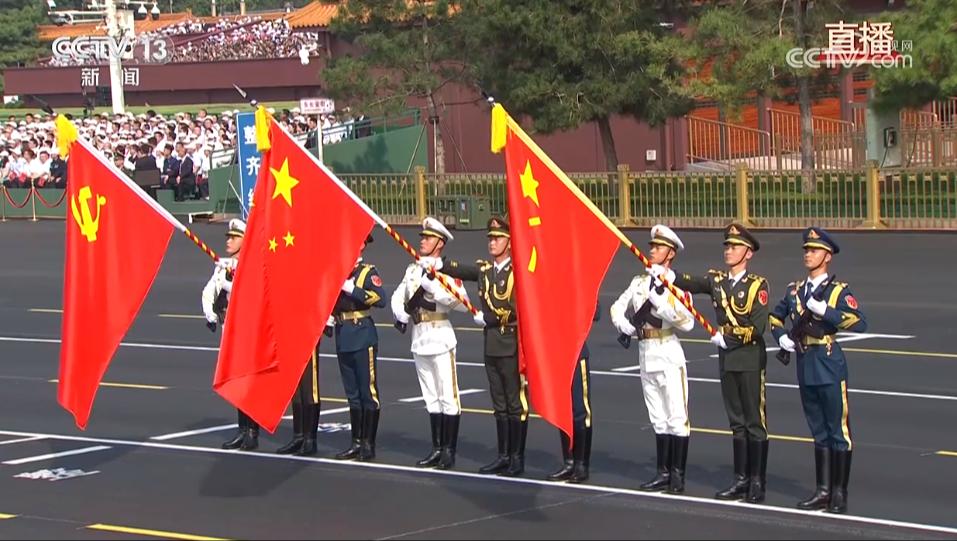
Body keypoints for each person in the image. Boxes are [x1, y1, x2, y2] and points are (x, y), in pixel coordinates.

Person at [671, 223, 771, 503]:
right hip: (727, 359)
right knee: (736, 422)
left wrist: (729, 338)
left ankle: (757, 481)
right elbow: (694, 283)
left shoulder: (757, 285)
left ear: (748, 253)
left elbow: (758, 327)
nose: (729, 250)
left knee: (754, 422)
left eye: (735, 246)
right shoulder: (717, 281)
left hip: (749, 358)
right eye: (727, 246)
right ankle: (740, 479)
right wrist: (669, 275)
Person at [769, 228, 867, 514]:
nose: (808, 254)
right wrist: (781, 338)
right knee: (818, 430)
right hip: (805, 363)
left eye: (814, 250)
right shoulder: (794, 290)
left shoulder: (837, 291)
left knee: (838, 431)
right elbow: (775, 317)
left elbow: (860, 322)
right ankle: (822, 491)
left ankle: (839, 493)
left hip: (828, 362)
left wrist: (826, 311)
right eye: (806, 250)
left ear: (827, 256)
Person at [440, 216, 529, 477]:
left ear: (509, 242)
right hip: (491, 344)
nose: (492, 242)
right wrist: (440, 264)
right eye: (490, 238)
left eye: (498, 238)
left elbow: (517, 308)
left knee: (515, 403)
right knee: (499, 403)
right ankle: (503, 455)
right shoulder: (486, 270)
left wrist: (491, 318)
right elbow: (463, 270)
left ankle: (517, 458)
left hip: (510, 343)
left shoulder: (517, 272)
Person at [611, 225, 695, 494]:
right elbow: (617, 306)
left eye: (658, 247)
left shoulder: (676, 285)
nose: (652, 251)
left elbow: (688, 322)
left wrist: (662, 304)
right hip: (645, 352)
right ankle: (663, 472)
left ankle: (677, 476)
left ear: (670, 254)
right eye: (652, 246)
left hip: (667, 351)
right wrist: (623, 325)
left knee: (676, 416)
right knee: (658, 416)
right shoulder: (639, 282)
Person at [390, 217, 471, 470]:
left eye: (428, 238)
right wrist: (399, 312)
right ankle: (436, 449)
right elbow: (399, 294)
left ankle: (448, 451)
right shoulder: (413, 269)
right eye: (423, 237)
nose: (422, 241)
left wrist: (434, 289)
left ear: (439, 243)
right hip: (419, 338)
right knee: (431, 398)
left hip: (440, 336)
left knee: (448, 397)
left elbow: (462, 303)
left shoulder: (446, 271)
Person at [201, 219, 260, 451]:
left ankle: (252, 431)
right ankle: (242, 429)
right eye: (228, 237)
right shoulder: (224, 266)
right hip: (230, 329)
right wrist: (209, 313)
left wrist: (228, 282)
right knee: (235, 380)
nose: (229, 241)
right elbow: (210, 289)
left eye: (234, 238)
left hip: (247, 329)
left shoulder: (251, 265)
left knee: (247, 382)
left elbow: (247, 291)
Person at [329, 234, 387, 462]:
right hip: (343, 334)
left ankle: (368, 444)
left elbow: (380, 299)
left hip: (362, 334)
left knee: (368, 393)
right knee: (352, 394)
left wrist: (353, 289)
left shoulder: (367, 272)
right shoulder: (339, 271)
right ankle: (355, 442)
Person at [546, 302, 600, 484]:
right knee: (563, 411)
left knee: (580, 411)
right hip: (558, 353)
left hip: (576, 352)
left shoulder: (578, 289)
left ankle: (581, 464)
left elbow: (596, 312)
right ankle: (569, 461)